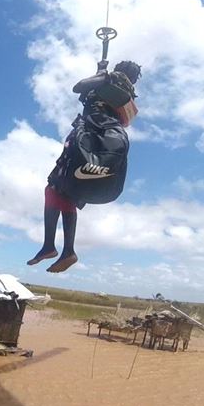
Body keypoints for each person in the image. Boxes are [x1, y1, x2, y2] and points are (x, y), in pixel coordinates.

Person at [27, 60, 141, 273]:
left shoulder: (112, 79)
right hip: (109, 136)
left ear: (120, 70)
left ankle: (50, 246)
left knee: (54, 185)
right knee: (67, 191)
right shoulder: (128, 95)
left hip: (90, 133)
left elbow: (79, 87)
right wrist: (101, 71)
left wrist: (102, 74)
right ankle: (65, 250)